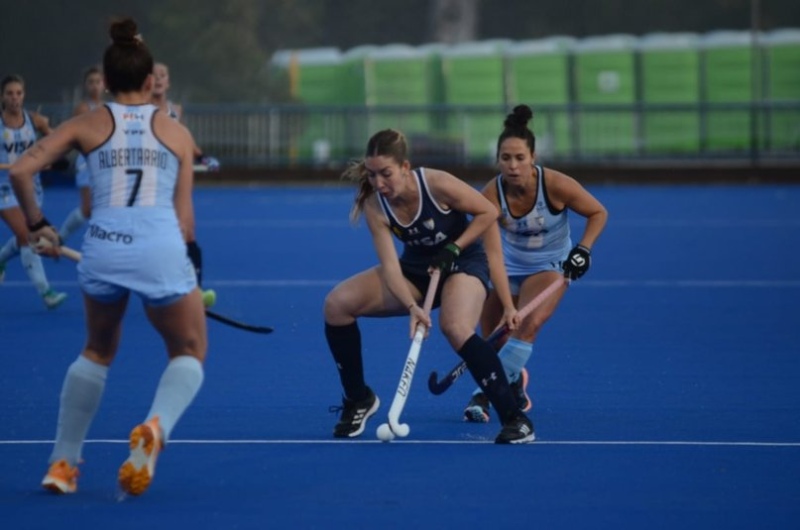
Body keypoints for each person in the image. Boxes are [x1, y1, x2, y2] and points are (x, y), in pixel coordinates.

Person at [9, 17, 208, 496]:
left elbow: (20, 171)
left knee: (97, 350)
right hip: (161, 246)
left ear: (106, 80)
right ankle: (154, 428)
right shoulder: (176, 133)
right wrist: (189, 271)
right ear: (147, 82)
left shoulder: (86, 123)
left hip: (104, 248)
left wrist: (37, 224)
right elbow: (186, 223)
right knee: (188, 350)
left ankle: (61, 464)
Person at [323, 128, 536, 444]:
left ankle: (515, 419)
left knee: (455, 326)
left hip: (463, 260)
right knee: (336, 305)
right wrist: (412, 307)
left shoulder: (434, 183)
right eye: (372, 174)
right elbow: (392, 268)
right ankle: (358, 399)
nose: (379, 183)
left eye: (386, 174)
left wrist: (454, 248)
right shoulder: (376, 205)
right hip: (416, 269)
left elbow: (488, 212)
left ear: (405, 168)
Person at [462, 104, 607, 423]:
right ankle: (514, 380)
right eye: (505, 158)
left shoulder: (555, 185)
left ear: (533, 157)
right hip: (506, 266)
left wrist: (583, 249)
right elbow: (490, 252)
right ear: (497, 159)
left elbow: (599, 213)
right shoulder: (490, 195)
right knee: (493, 337)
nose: (512, 166)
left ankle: (485, 394)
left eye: (519, 158)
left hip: (550, 265)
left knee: (528, 325)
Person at [151, 61, 217, 308]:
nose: (158, 79)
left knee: (188, 231)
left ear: (168, 81)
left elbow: (184, 138)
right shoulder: (140, 109)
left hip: (176, 178)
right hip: (151, 180)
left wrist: (202, 157)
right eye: (154, 75)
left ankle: (195, 291)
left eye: (163, 75)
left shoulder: (175, 110)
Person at [0, 74, 67, 308]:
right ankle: (46, 293)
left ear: (24, 95)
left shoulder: (35, 121)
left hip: (31, 188)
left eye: (18, 93)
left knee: (24, 235)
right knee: (28, 237)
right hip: (3, 189)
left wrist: (49, 158)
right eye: (9, 93)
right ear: (2, 96)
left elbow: (58, 141)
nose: (14, 98)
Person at [57, 66, 105, 243]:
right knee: (87, 208)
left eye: (98, 82)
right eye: (91, 82)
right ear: (85, 85)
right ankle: (61, 236)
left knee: (104, 204)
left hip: (103, 161)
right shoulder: (82, 108)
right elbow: (75, 135)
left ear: (104, 84)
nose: (94, 86)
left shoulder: (108, 107)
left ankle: (100, 239)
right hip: (86, 161)